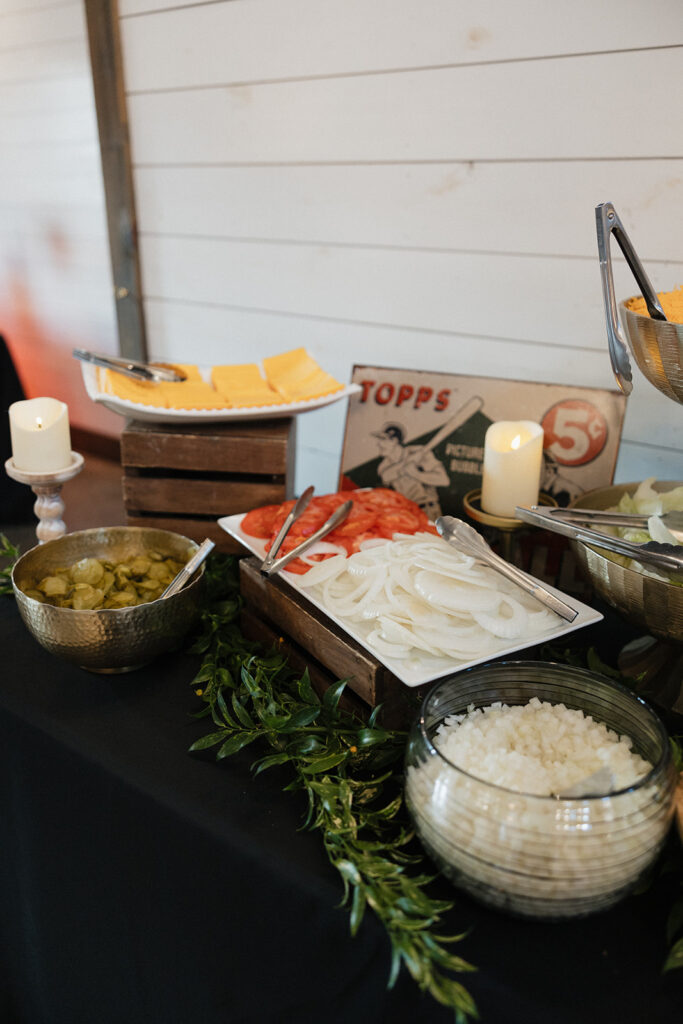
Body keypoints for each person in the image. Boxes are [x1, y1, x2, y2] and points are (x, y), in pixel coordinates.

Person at [372, 423, 449, 519]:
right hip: (405, 513)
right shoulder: (384, 465)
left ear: (394, 441)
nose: (378, 444)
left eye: (383, 439)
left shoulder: (419, 451)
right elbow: (386, 476)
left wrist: (416, 474)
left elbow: (443, 480)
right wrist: (408, 462)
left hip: (428, 510)